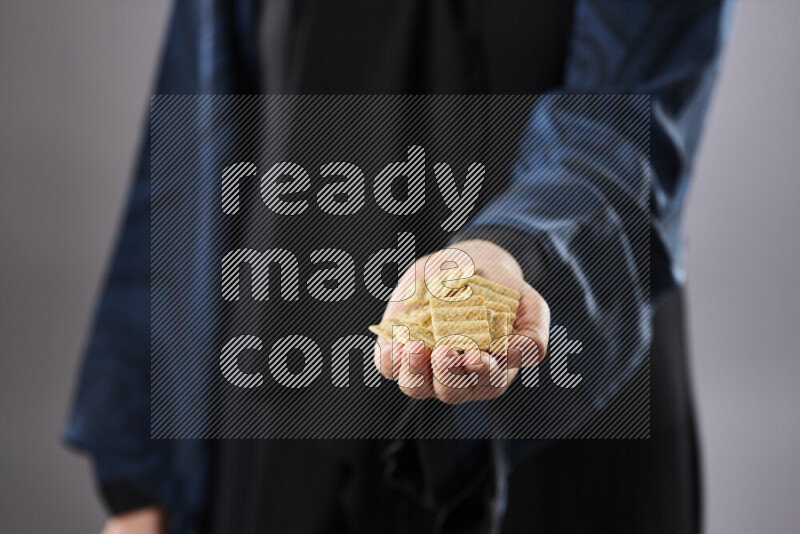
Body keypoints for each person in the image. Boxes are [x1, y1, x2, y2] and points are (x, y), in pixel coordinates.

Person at [65, 1, 734, 533]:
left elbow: (619, 132)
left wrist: (509, 252)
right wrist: (143, 473)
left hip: (548, 380)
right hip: (278, 397)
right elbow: (200, 114)